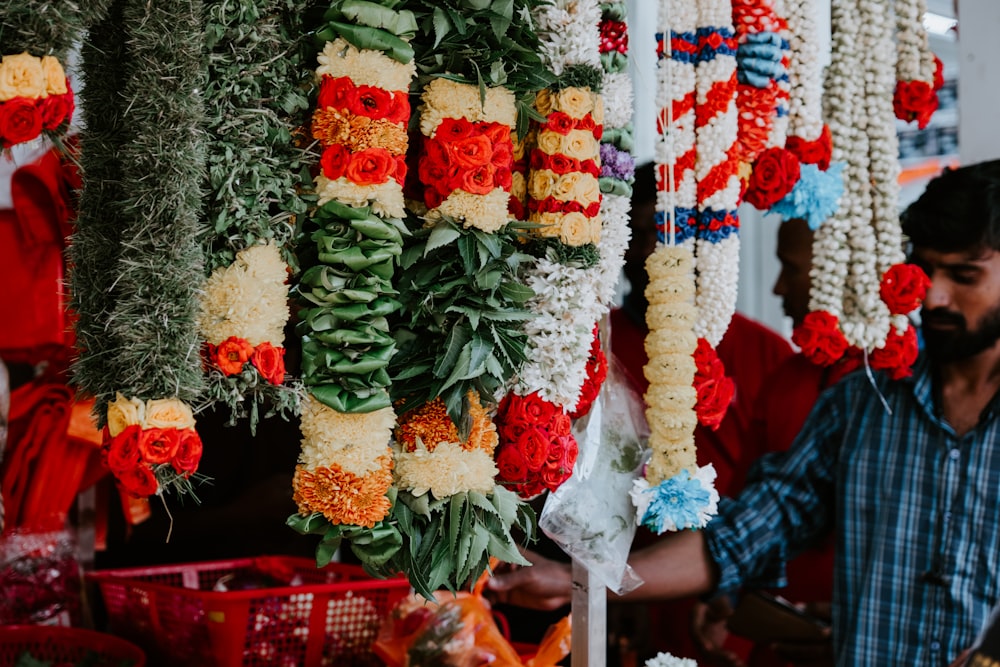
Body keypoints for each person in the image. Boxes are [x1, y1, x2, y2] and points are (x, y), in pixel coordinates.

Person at [488, 159, 1000, 667]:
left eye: (964, 275)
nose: (933, 295)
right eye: (926, 268)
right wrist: (584, 579)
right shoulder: (867, 398)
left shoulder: (768, 353)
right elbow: (751, 529)